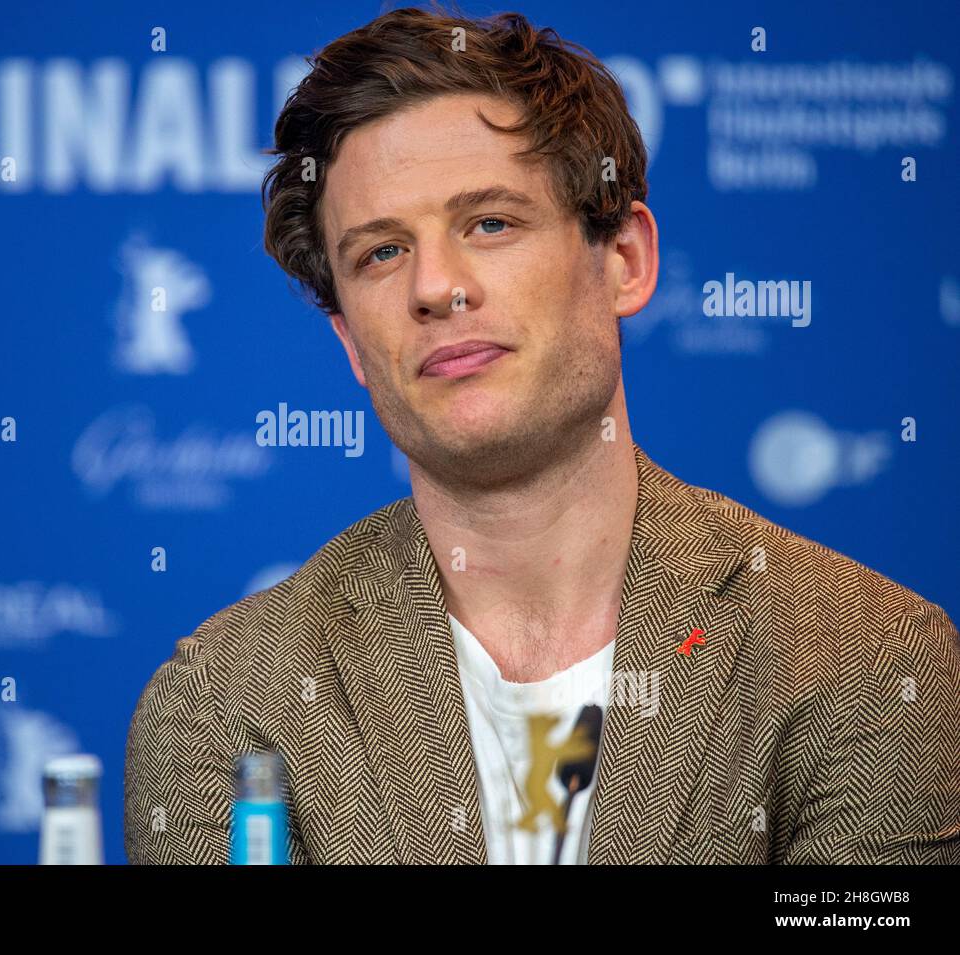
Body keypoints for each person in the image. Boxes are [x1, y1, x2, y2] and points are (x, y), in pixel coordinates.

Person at [124, 3, 960, 864]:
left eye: (490, 223)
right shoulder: (228, 704)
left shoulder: (866, 660)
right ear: (351, 343)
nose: (437, 287)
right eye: (381, 252)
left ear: (624, 260)